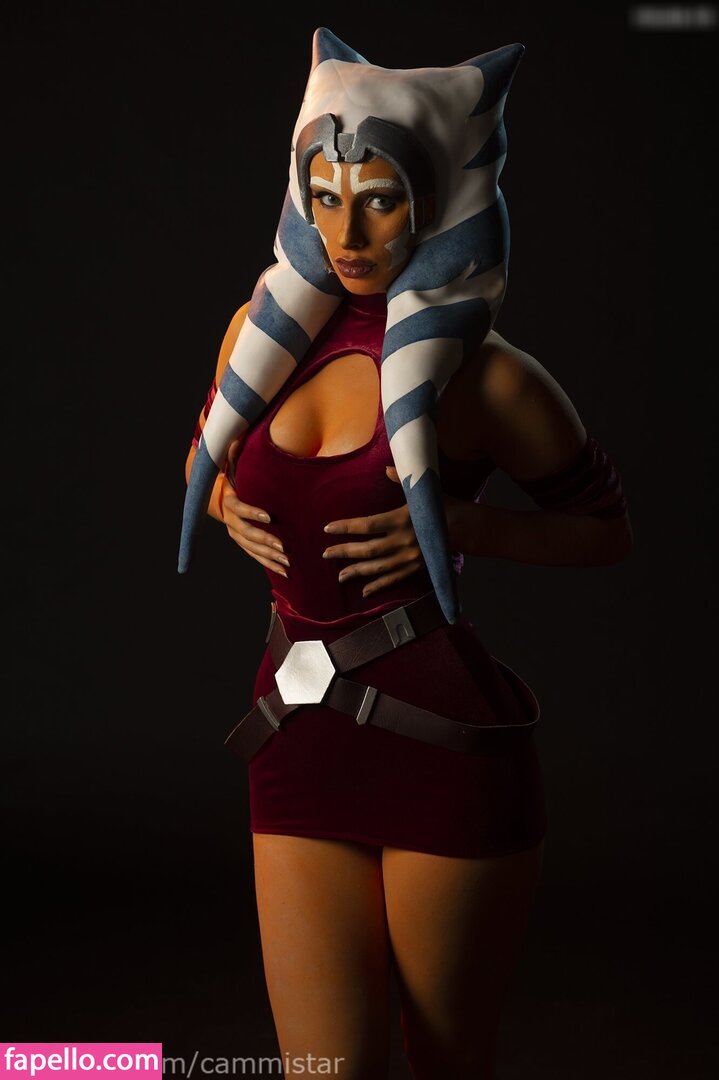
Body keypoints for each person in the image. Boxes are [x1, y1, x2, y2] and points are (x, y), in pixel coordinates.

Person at [181, 27, 633, 1080]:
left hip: (443, 744)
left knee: (444, 1064)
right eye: (325, 196)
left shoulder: (489, 377)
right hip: (293, 730)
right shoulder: (258, 335)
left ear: (432, 197)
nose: (347, 232)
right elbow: (203, 454)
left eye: (378, 200)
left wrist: (469, 528)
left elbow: (606, 531)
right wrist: (222, 505)